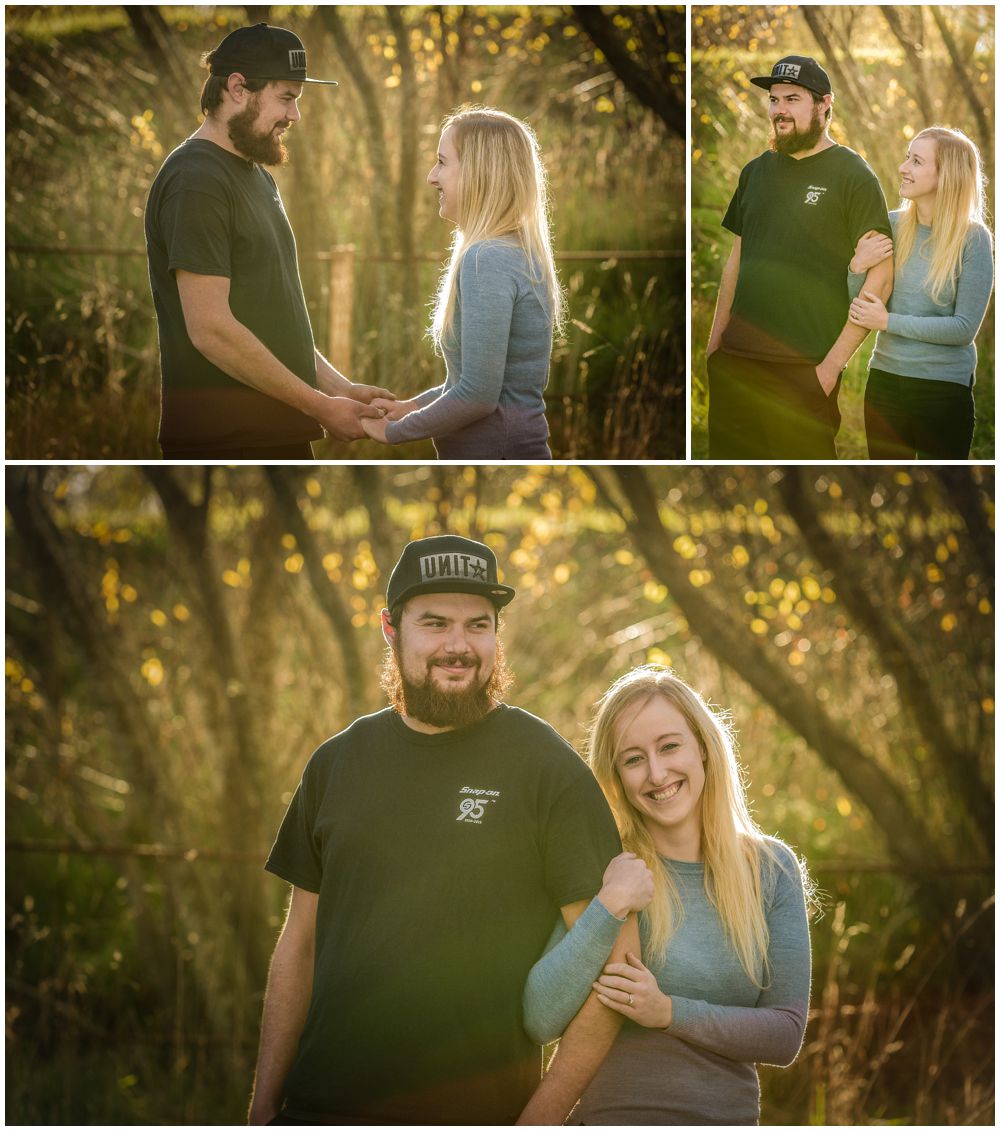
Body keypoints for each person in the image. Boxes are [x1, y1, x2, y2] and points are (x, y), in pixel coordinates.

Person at [248, 534, 644, 1125]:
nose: (458, 646)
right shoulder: (337, 762)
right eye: (435, 623)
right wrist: (260, 1111)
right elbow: (297, 946)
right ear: (391, 628)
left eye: (478, 625)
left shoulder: (546, 768)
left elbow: (618, 973)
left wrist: (537, 1122)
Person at [522, 665, 812, 1124]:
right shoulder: (608, 872)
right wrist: (609, 905)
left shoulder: (772, 871)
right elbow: (540, 1017)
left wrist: (668, 1012)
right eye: (633, 759)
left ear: (703, 746)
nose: (657, 774)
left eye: (669, 746)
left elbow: (785, 1034)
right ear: (615, 775)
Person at [144, 23, 392, 458]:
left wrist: (342, 389)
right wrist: (320, 406)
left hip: (278, 431)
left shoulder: (256, 175)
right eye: (286, 98)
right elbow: (211, 330)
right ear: (238, 88)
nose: (294, 116)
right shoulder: (196, 181)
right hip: (225, 440)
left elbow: (272, 321)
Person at [706, 55, 894, 459]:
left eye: (792, 99)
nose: (779, 111)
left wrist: (828, 371)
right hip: (735, 366)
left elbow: (882, 277)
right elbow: (738, 260)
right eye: (774, 100)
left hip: (803, 373)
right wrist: (714, 347)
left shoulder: (852, 174)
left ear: (824, 105)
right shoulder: (755, 172)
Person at [360, 108, 562, 459]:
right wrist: (410, 407)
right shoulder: (511, 252)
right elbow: (467, 384)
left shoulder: (488, 259)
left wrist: (395, 432)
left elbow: (478, 397)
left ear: (480, 173)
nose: (431, 177)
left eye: (442, 162)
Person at [847, 126, 994, 459]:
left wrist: (888, 322)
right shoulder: (892, 225)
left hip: (942, 391)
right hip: (884, 384)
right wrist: (856, 268)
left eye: (916, 161)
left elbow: (963, 329)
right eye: (906, 158)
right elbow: (860, 306)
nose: (903, 168)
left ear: (946, 176)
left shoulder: (974, 239)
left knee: (946, 491)